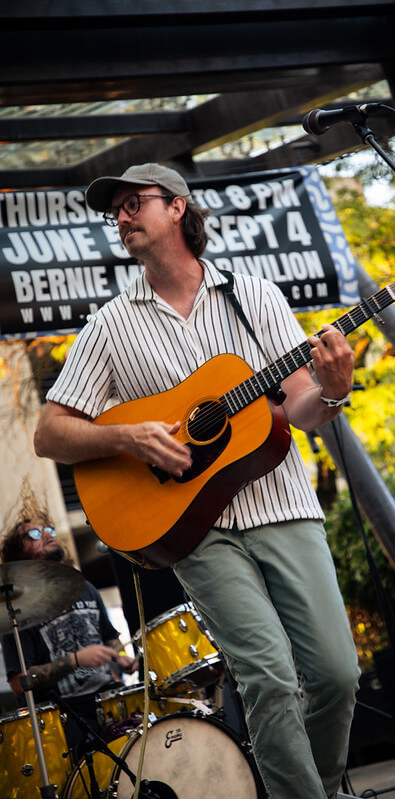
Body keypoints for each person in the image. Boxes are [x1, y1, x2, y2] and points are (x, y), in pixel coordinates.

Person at [32, 162, 360, 799]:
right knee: (267, 677)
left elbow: (299, 409)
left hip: (282, 504)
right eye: (115, 211)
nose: (122, 217)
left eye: (134, 204)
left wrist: (335, 391)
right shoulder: (109, 325)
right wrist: (124, 436)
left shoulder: (255, 295)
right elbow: (49, 434)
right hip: (193, 530)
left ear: (177, 208)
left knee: (336, 676)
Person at [1, 516, 137, 752]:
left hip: (109, 700)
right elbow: (18, 684)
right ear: (17, 556)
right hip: (64, 717)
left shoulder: (85, 588)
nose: (46, 534)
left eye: (47, 529)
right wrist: (75, 660)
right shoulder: (15, 609)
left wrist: (118, 656)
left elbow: (110, 637)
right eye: (33, 534)